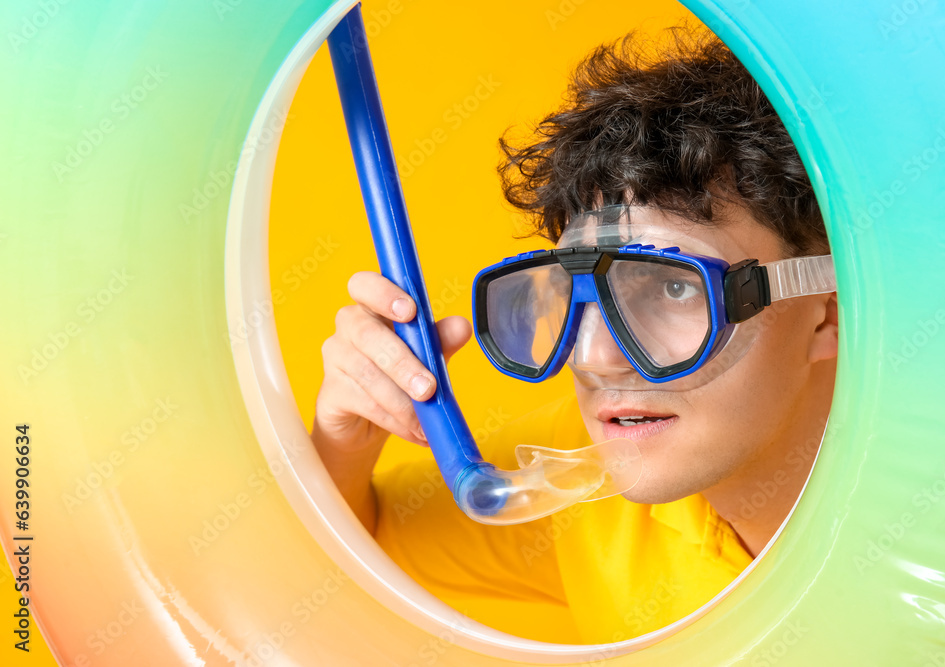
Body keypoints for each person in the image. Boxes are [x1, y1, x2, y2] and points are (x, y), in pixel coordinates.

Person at [310, 26, 837, 644]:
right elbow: (356, 547)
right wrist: (345, 442)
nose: (593, 358)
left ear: (825, 312)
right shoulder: (598, 482)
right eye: (573, 296)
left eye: (672, 288)